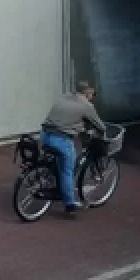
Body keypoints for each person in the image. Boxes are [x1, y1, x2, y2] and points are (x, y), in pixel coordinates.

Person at [42, 82, 107, 212]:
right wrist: (102, 133)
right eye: (93, 94)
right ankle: (69, 204)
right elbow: (101, 126)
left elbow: (70, 118)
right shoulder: (86, 106)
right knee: (67, 170)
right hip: (60, 140)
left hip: (44, 135)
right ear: (88, 92)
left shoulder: (65, 96)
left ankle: (52, 181)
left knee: (58, 161)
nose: (93, 97)